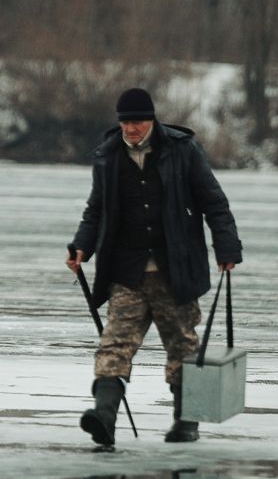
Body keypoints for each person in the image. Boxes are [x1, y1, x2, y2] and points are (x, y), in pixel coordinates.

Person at [66, 87, 243, 447]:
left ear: (151, 120)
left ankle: (186, 422)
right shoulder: (108, 157)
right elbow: (96, 210)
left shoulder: (182, 150)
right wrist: (81, 246)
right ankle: (104, 417)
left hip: (174, 269)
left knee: (182, 346)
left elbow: (215, 203)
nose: (130, 129)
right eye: (125, 122)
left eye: (137, 121)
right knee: (114, 344)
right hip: (126, 270)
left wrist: (227, 248)